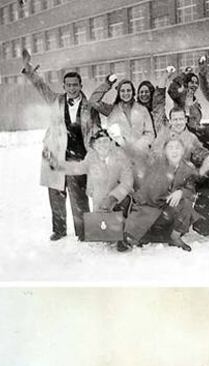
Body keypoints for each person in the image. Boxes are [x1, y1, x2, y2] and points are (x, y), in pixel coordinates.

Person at [21, 50, 100, 241]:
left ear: (81, 85)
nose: (72, 88)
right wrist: (30, 70)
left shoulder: (90, 107)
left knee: (78, 197)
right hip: (56, 153)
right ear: (64, 86)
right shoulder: (56, 100)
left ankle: (83, 232)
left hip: (79, 156)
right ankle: (59, 229)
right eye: (68, 85)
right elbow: (41, 86)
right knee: (56, 193)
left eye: (75, 85)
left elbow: (97, 131)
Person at [121, 138, 198, 252]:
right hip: (148, 207)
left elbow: (191, 189)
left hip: (168, 210)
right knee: (127, 241)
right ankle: (139, 234)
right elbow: (137, 155)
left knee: (186, 204)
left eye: (177, 147)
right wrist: (122, 141)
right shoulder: (155, 161)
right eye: (170, 148)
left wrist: (181, 192)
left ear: (183, 151)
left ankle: (174, 237)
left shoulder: (188, 168)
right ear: (165, 151)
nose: (174, 151)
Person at [45, 129, 133, 213]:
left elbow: (127, 182)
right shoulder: (92, 157)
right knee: (100, 226)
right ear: (94, 145)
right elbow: (77, 167)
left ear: (111, 142)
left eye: (105, 141)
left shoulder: (120, 157)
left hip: (120, 203)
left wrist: (113, 198)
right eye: (99, 142)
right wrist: (58, 165)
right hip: (99, 204)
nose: (102, 145)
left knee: (120, 226)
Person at [89, 77, 154, 159]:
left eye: (128, 90)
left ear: (133, 92)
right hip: (120, 155)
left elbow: (150, 133)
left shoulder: (142, 109)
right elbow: (93, 101)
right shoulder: (112, 110)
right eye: (122, 91)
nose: (126, 93)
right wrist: (108, 84)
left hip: (141, 155)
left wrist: (139, 146)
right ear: (119, 93)